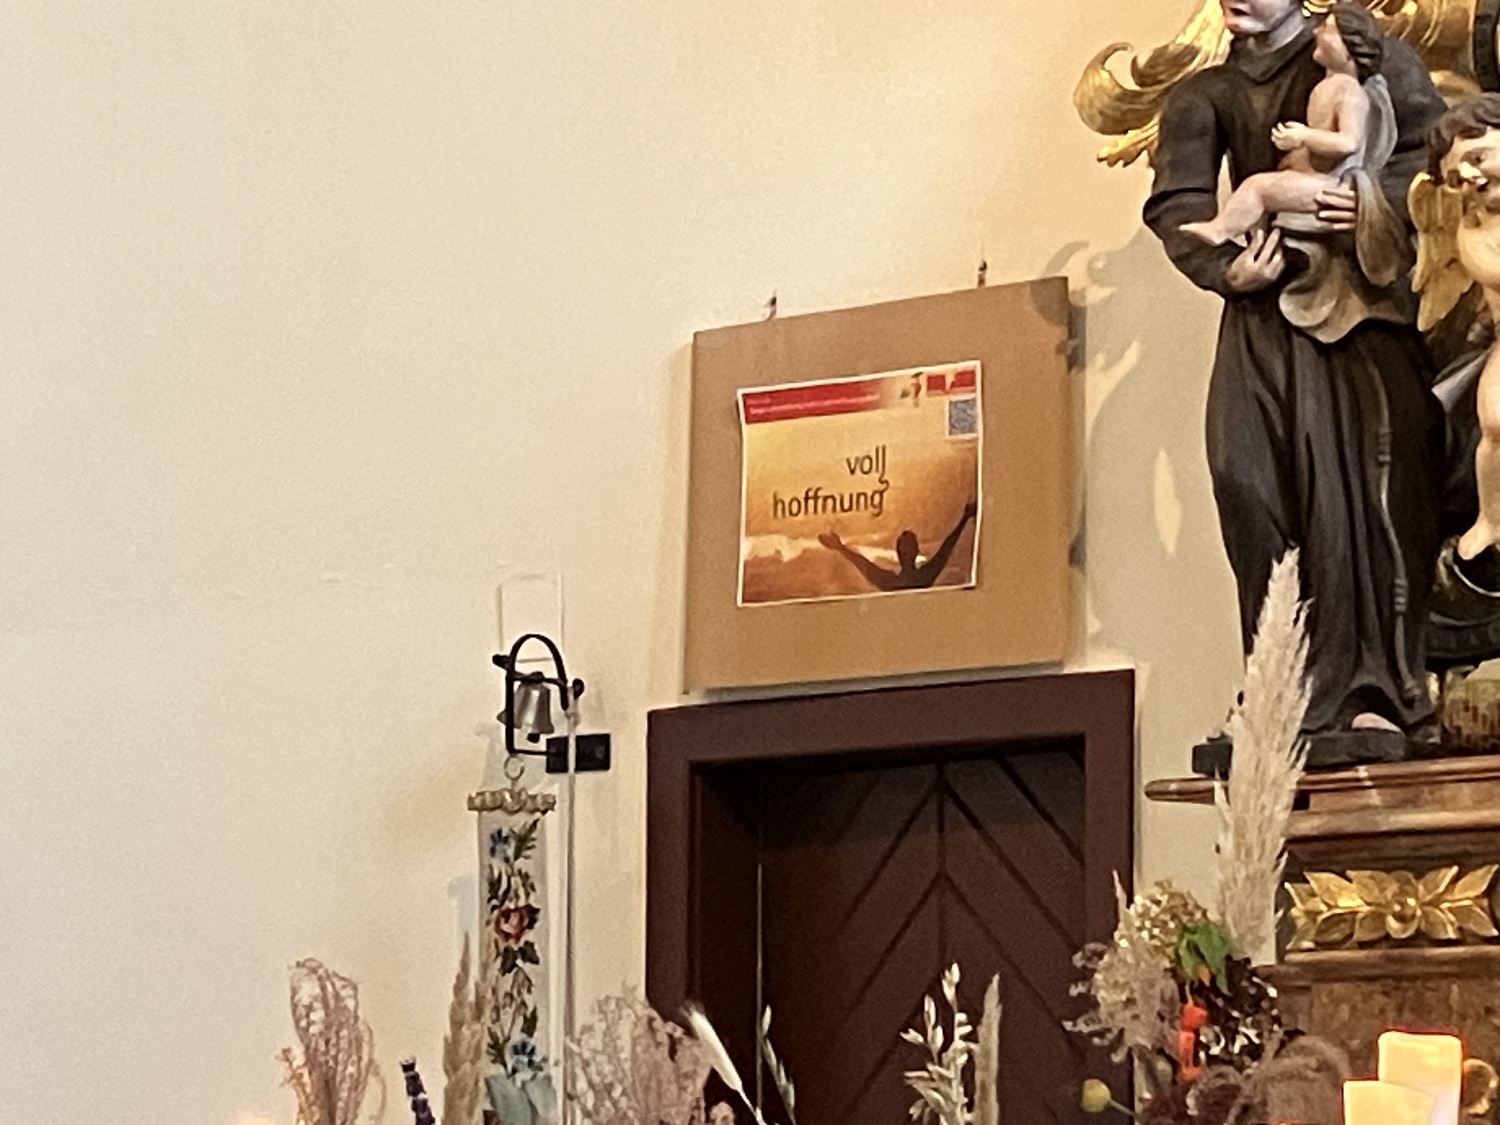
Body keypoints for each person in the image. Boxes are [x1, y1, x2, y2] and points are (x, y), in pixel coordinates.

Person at [1146, 0, 1447, 737]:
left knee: (1360, 497)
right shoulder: (1204, 94)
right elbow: (1178, 203)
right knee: (1245, 482)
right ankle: (1280, 686)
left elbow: (1434, 161)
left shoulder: (1372, 57)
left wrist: (1371, 204)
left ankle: (1373, 688)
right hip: (1260, 316)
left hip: (1358, 317)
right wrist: (1226, 270)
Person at [1180, 5, 1391, 247]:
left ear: (1348, 51)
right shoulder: (1330, 84)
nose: (1317, 32)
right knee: (1259, 206)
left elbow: (1350, 142)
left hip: (1329, 188)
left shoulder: (1350, 91)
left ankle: (1220, 231)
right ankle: (1254, 245)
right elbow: (1179, 197)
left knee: (1257, 188)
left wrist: (1304, 137)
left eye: (1327, 29)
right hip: (1306, 181)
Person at [819, 500, 978, 592]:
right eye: (907, 547)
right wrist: (964, 518)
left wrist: (840, 548)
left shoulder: (894, 581)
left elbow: (946, 549)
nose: (907, 552)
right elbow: (945, 550)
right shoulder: (922, 577)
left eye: (908, 547)